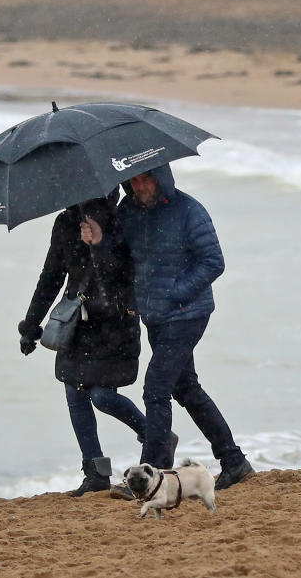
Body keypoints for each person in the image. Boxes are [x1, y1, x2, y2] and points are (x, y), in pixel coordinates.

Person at [82, 165, 255, 490]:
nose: (141, 185)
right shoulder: (129, 211)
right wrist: (99, 241)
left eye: (147, 178)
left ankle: (152, 479)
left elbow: (213, 261)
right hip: (155, 316)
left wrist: (176, 294)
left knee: (156, 390)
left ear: (161, 178)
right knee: (185, 388)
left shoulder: (189, 211)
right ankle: (234, 461)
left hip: (188, 314)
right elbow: (118, 262)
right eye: (134, 179)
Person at [17, 192, 146, 497]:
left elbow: (129, 272)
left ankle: (155, 436)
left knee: (102, 396)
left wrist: (100, 244)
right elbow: (51, 277)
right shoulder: (65, 223)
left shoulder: (125, 220)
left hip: (115, 323)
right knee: (74, 390)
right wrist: (31, 324)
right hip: (76, 320)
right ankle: (95, 472)